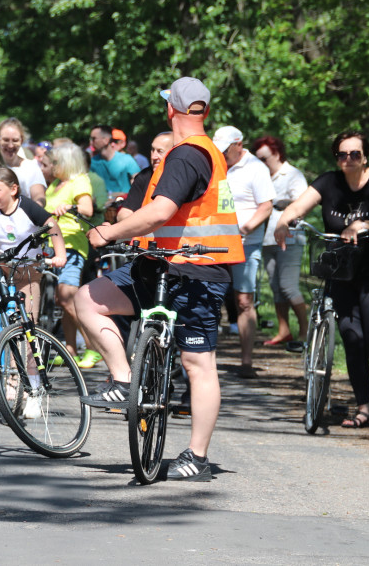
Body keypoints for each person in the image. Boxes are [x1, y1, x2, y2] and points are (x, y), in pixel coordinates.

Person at [75, 77, 244, 481]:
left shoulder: (188, 155)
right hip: (160, 263)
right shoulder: (199, 152)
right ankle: (122, 378)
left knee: (197, 362)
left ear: (172, 109)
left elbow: (161, 211)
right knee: (90, 298)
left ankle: (196, 456)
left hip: (197, 272)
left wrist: (108, 233)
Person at [274, 131, 369, 432]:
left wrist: (366, 223)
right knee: (351, 337)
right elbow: (298, 207)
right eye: (342, 155)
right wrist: (283, 221)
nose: (348, 160)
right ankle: (362, 408)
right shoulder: (328, 182)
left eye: (354, 154)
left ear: (365, 156)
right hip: (342, 272)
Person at [0, 166, 66, 417]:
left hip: (29, 270)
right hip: (3, 267)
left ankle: (33, 390)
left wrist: (59, 253)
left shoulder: (27, 206)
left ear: (13, 189)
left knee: (28, 328)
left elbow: (52, 225)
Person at [211, 125, 274, 378]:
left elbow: (266, 206)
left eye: (226, 150)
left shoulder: (256, 168)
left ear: (239, 144)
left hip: (245, 243)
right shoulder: (215, 164)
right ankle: (205, 359)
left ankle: (246, 362)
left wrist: (246, 228)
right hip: (215, 241)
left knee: (244, 301)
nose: (223, 155)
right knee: (209, 298)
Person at [251, 135, 309, 348]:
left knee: (288, 286)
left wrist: (278, 203)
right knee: (276, 286)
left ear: (276, 154)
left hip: (291, 239)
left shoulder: (292, 174)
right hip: (268, 240)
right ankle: (284, 331)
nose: (262, 164)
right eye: (258, 160)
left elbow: (303, 202)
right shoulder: (263, 176)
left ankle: (305, 333)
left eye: (264, 158)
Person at [42, 144, 95, 364]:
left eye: (55, 162)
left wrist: (68, 206)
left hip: (71, 245)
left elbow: (87, 209)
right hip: (52, 244)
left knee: (67, 297)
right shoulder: (55, 184)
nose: (51, 166)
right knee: (62, 300)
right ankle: (71, 350)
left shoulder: (79, 181)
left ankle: (94, 347)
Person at [0, 118, 47, 205]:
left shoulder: (31, 167)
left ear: (21, 140)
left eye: (15, 140)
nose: (11, 145)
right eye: (6, 140)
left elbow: (39, 198)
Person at [89, 125, 141, 196]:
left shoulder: (127, 160)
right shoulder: (92, 163)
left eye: (94, 139)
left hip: (124, 204)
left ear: (106, 140)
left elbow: (140, 184)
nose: (91, 143)